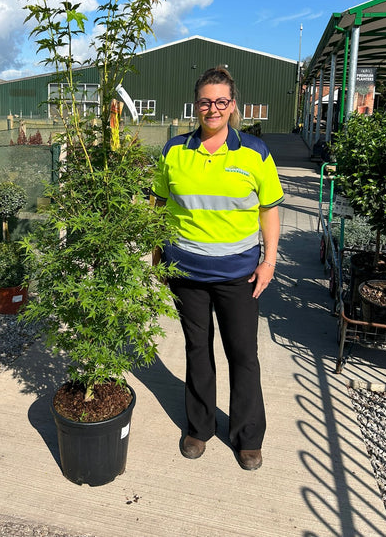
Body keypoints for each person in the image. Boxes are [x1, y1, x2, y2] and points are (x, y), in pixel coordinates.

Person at [151, 66, 284, 471]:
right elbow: (158, 204)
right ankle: (199, 427)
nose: (213, 108)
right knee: (197, 350)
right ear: (196, 105)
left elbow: (269, 208)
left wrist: (269, 261)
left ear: (233, 106)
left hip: (239, 277)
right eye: (206, 101)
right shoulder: (174, 151)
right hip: (186, 274)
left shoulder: (255, 152)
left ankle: (248, 437)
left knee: (243, 355)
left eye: (221, 101)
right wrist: (155, 256)